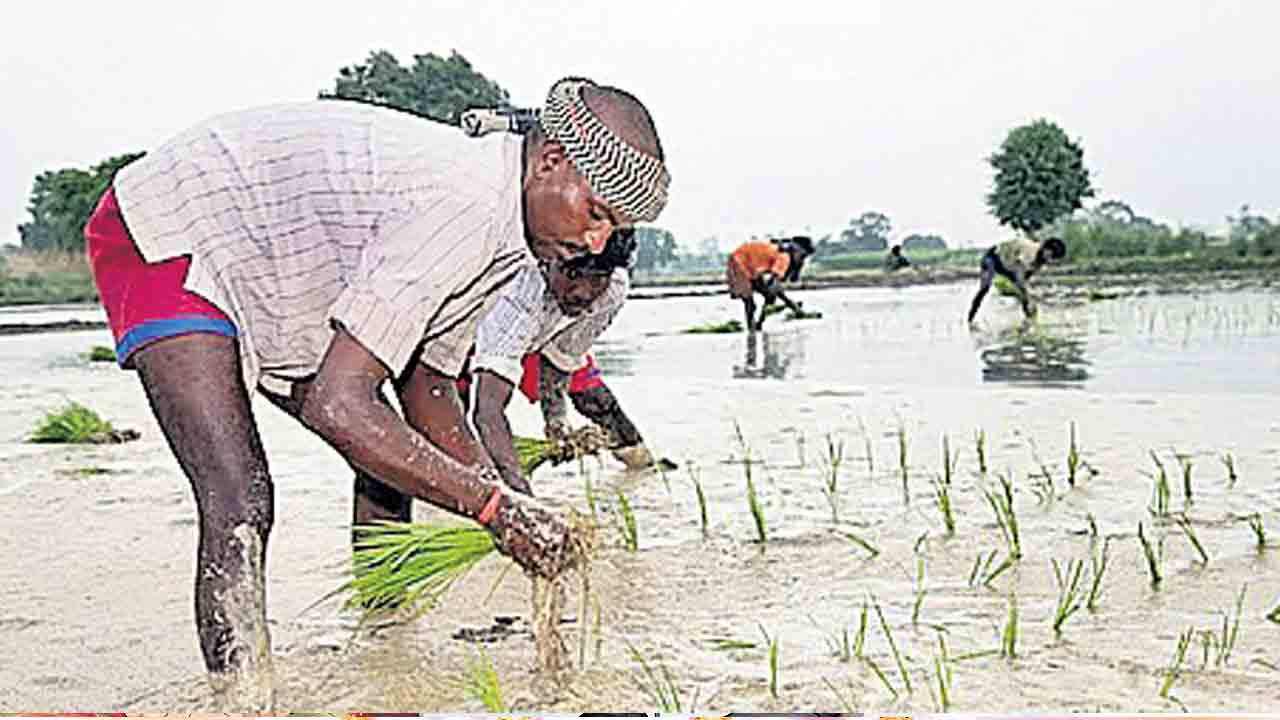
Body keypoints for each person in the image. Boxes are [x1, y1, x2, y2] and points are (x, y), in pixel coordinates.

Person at [83, 76, 670, 709]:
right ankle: (242, 700)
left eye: (613, 228)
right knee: (239, 495)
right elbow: (339, 405)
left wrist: (510, 504)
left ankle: (385, 645)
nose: (596, 242)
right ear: (550, 159)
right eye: (597, 214)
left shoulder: (514, 241)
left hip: (290, 277)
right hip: (179, 226)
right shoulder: (466, 202)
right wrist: (495, 510)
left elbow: (430, 384)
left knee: (387, 462)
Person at [967, 235, 1066, 324]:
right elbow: (1019, 277)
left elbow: (1025, 279)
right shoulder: (1030, 251)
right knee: (985, 288)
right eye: (1050, 256)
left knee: (1025, 296)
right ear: (1045, 248)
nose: (1050, 260)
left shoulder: (1040, 261)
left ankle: (1029, 322)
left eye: (1053, 258)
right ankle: (970, 320)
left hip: (1010, 265)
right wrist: (1028, 294)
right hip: (994, 258)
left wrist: (1029, 299)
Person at [727, 236, 815, 332]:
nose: (801, 260)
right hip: (739, 261)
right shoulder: (784, 257)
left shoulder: (781, 252)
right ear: (796, 250)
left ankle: (757, 326)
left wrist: (792, 306)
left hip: (750, 267)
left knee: (769, 295)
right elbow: (774, 285)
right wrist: (792, 306)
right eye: (802, 256)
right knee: (750, 303)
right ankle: (752, 330)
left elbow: (775, 288)